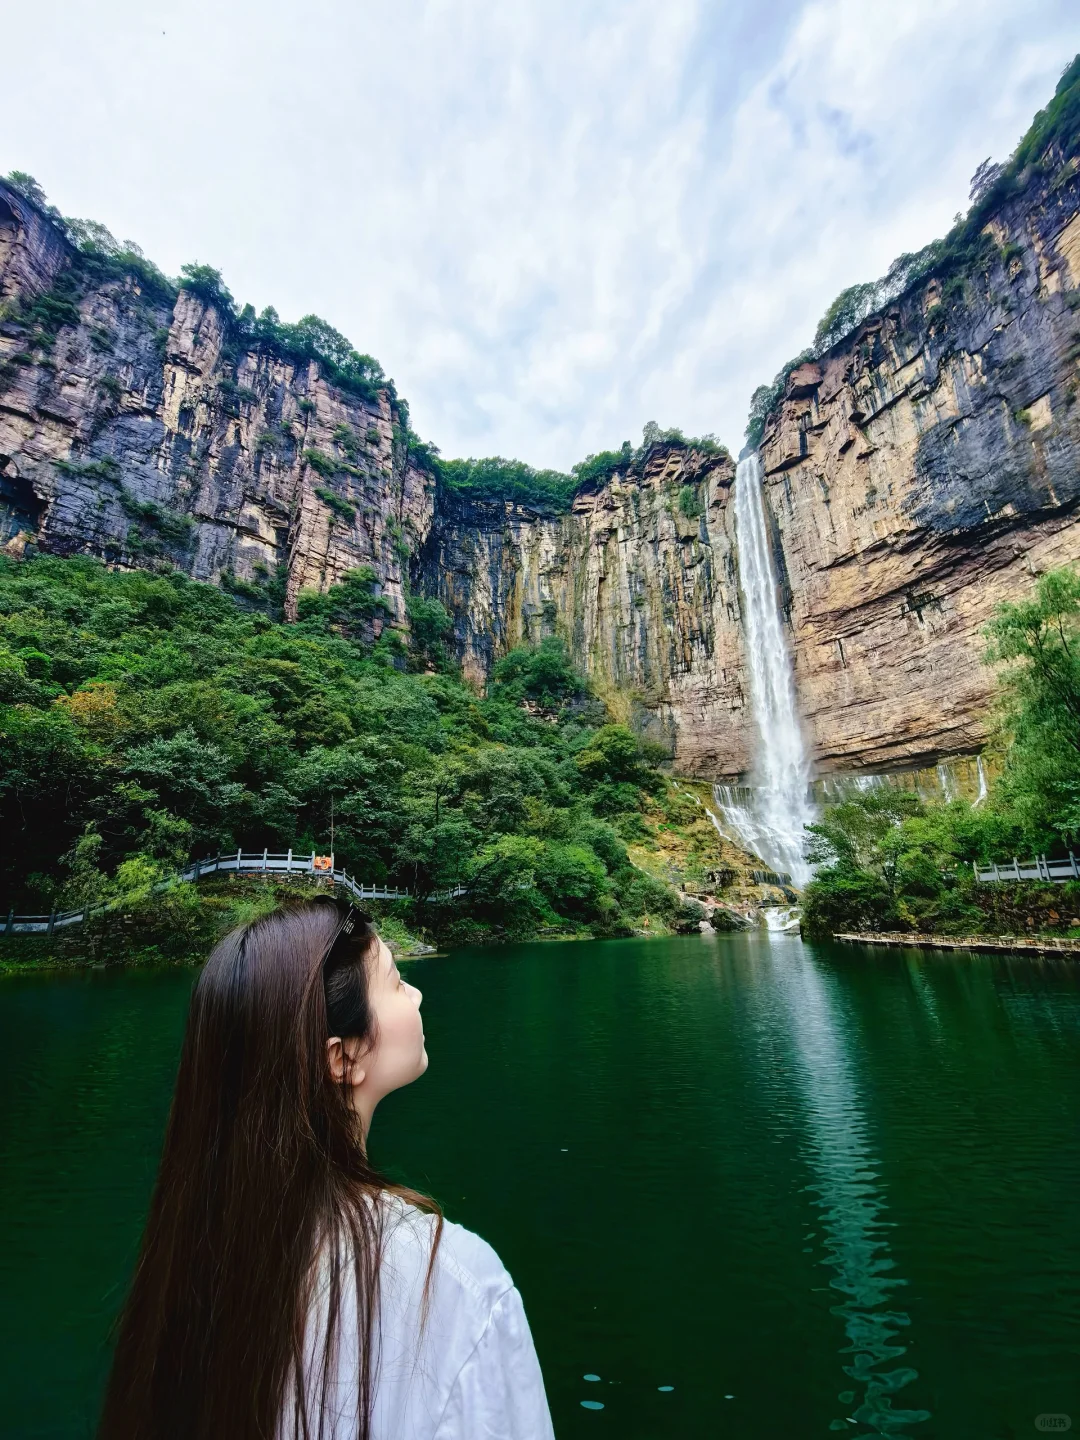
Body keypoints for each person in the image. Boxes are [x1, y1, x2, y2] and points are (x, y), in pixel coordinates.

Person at [98, 898, 555, 1440]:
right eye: (396, 980)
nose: (418, 993)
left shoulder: (187, 1262)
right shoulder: (456, 1286)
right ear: (343, 1058)